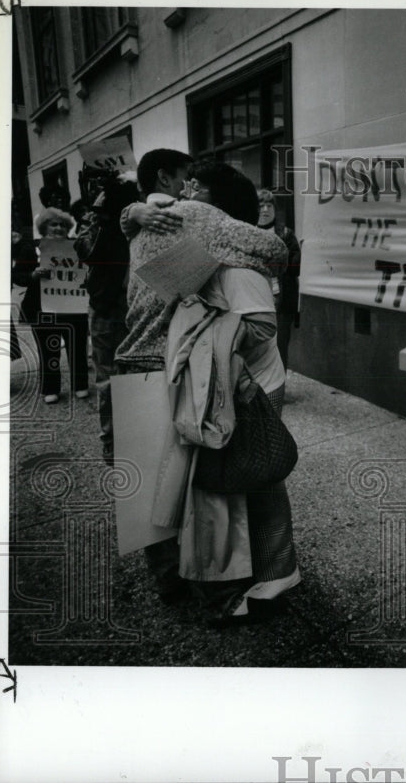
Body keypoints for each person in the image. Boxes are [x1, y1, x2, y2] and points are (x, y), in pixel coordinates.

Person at [113, 150, 289, 611]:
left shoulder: (146, 220)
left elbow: (123, 229)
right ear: (169, 179)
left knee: (146, 489)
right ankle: (219, 593)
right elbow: (274, 248)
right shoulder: (193, 215)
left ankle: (170, 585)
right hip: (172, 367)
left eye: (197, 184)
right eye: (186, 180)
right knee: (195, 486)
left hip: (130, 359)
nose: (189, 189)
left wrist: (129, 214)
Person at [175, 161, 300, 624]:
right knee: (240, 483)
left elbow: (262, 325)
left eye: (198, 192)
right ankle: (256, 572)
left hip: (254, 390)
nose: (188, 198)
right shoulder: (203, 249)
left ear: (221, 207)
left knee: (260, 480)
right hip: (229, 385)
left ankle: (276, 576)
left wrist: (201, 329)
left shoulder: (239, 260)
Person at [74, 172, 140, 465]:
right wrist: (99, 220)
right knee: (109, 378)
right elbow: (86, 250)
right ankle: (113, 441)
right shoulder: (100, 221)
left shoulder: (140, 219)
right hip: (107, 307)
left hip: (133, 307)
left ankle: (130, 437)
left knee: (132, 375)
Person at [19, 208, 91, 405]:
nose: (59, 228)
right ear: (44, 227)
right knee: (48, 349)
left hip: (72, 306)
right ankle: (51, 388)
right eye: (54, 224)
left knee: (77, 347)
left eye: (62, 225)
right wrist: (33, 275)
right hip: (42, 308)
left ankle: (80, 385)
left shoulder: (77, 247)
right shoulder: (32, 249)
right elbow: (17, 275)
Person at [256, 188, 302, 371]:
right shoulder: (246, 233)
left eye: (269, 205)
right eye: (261, 206)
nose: (266, 210)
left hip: (281, 302)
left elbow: (295, 268)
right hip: (255, 298)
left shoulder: (286, 235)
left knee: (280, 346)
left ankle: (278, 392)